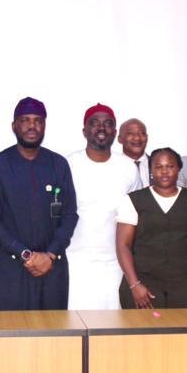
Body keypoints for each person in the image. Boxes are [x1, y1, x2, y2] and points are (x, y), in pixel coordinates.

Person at [0, 97, 78, 310]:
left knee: (54, 330)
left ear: (44, 125)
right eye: (25, 120)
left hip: (52, 268)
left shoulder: (58, 164)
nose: (32, 126)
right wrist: (25, 254)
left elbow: (70, 215)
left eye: (38, 120)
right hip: (12, 271)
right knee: (10, 329)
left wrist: (50, 254)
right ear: (14, 126)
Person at [66, 103, 139, 310]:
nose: (101, 128)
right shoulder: (69, 164)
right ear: (84, 131)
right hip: (76, 262)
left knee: (114, 324)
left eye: (108, 124)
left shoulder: (128, 167)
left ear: (115, 132)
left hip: (116, 264)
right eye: (94, 123)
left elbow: (135, 216)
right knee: (75, 322)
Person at [117, 148, 187, 309]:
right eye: (158, 166)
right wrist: (134, 285)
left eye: (170, 166)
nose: (164, 171)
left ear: (179, 168)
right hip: (144, 283)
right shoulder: (133, 200)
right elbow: (123, 245)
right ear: (150, 170)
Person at [118, 118, 149, 189]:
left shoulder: (159, 165)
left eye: (142, 133)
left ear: (147, 138)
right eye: (130, 133)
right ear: (120, 139)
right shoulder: (111, 167)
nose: (137, 138)